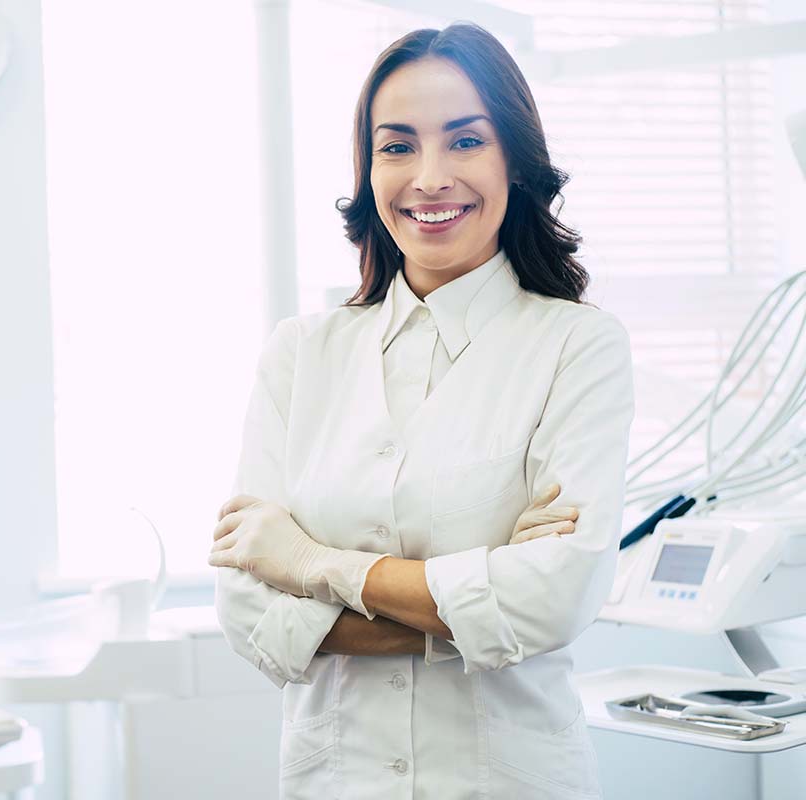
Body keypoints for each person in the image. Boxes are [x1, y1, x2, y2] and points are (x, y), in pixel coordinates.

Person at [208, 22, 635, 800]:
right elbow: (245, 609)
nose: (430, 177)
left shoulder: (578, 347)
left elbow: (553, 598)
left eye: (465, 141)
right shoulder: (301, 353)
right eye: (397, 146)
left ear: (515, 158)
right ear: (369, 170)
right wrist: (472, 611)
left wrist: (309, 564)